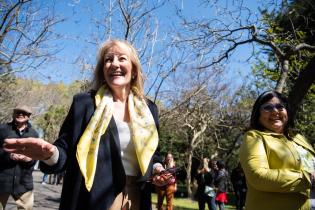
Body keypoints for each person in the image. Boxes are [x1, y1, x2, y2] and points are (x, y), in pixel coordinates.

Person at [3, 39, 172, 210]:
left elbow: (153, 154)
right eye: (108, 59)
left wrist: (158, 168)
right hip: (93, 197)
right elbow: (64, 150)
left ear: (134, 70)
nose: (114, 64)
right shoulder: (84, 103)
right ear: (102, 70)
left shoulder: (149, 109)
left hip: (137, 195)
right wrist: (50, 153)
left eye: (122, 58)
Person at [239, 90, 315, 210]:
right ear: (258, 115)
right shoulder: (254, 137)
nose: (275, 111)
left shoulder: (298, 138)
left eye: (280, 107)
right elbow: (258, 176)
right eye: (267, 107)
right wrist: (308, 179)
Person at [0, 105, 39, 210]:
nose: (20, 114)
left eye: (24, 113)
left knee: (26, 208)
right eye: (18, 112)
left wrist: (29, 159)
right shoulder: (2, 129)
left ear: (29, 116)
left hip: (24, 182)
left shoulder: (34, 134)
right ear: (13, 114)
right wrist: (8, 155)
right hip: (2, 180)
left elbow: (36, 155)